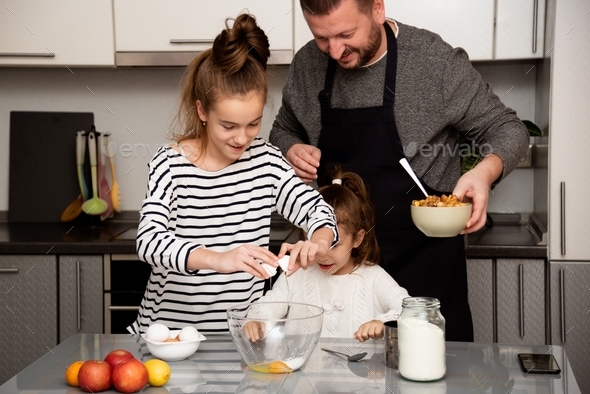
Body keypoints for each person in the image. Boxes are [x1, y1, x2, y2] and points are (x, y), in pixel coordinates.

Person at [269, 0, 530, 341]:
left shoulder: (433, 62)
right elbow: (282, 129)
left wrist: (484, 173)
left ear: (377, 9)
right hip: (337, 263)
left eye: (346, 34)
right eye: (321, 38)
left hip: (425, 261)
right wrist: (290, 148)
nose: (333, 51)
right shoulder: (307, 64)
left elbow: (509, 130)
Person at [129, 14, 339, 335]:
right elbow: (149, 242)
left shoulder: (266, 161)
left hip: (239, 337)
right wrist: (218, 259)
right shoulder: (169, 163)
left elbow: (316, 210)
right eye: (228, 126)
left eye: (253, 124)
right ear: (202, 111)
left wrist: (318, 240)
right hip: (168, 338)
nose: (242, 138)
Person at [244, 168, 410, 342]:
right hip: (301, 368)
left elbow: (410, 310)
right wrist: (257, 321)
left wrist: (382, 323)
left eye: (335, 245)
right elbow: (268, 306)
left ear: (357, 238)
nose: (323, 255)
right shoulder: (296, 273)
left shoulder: (373, 277)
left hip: (361, 369)